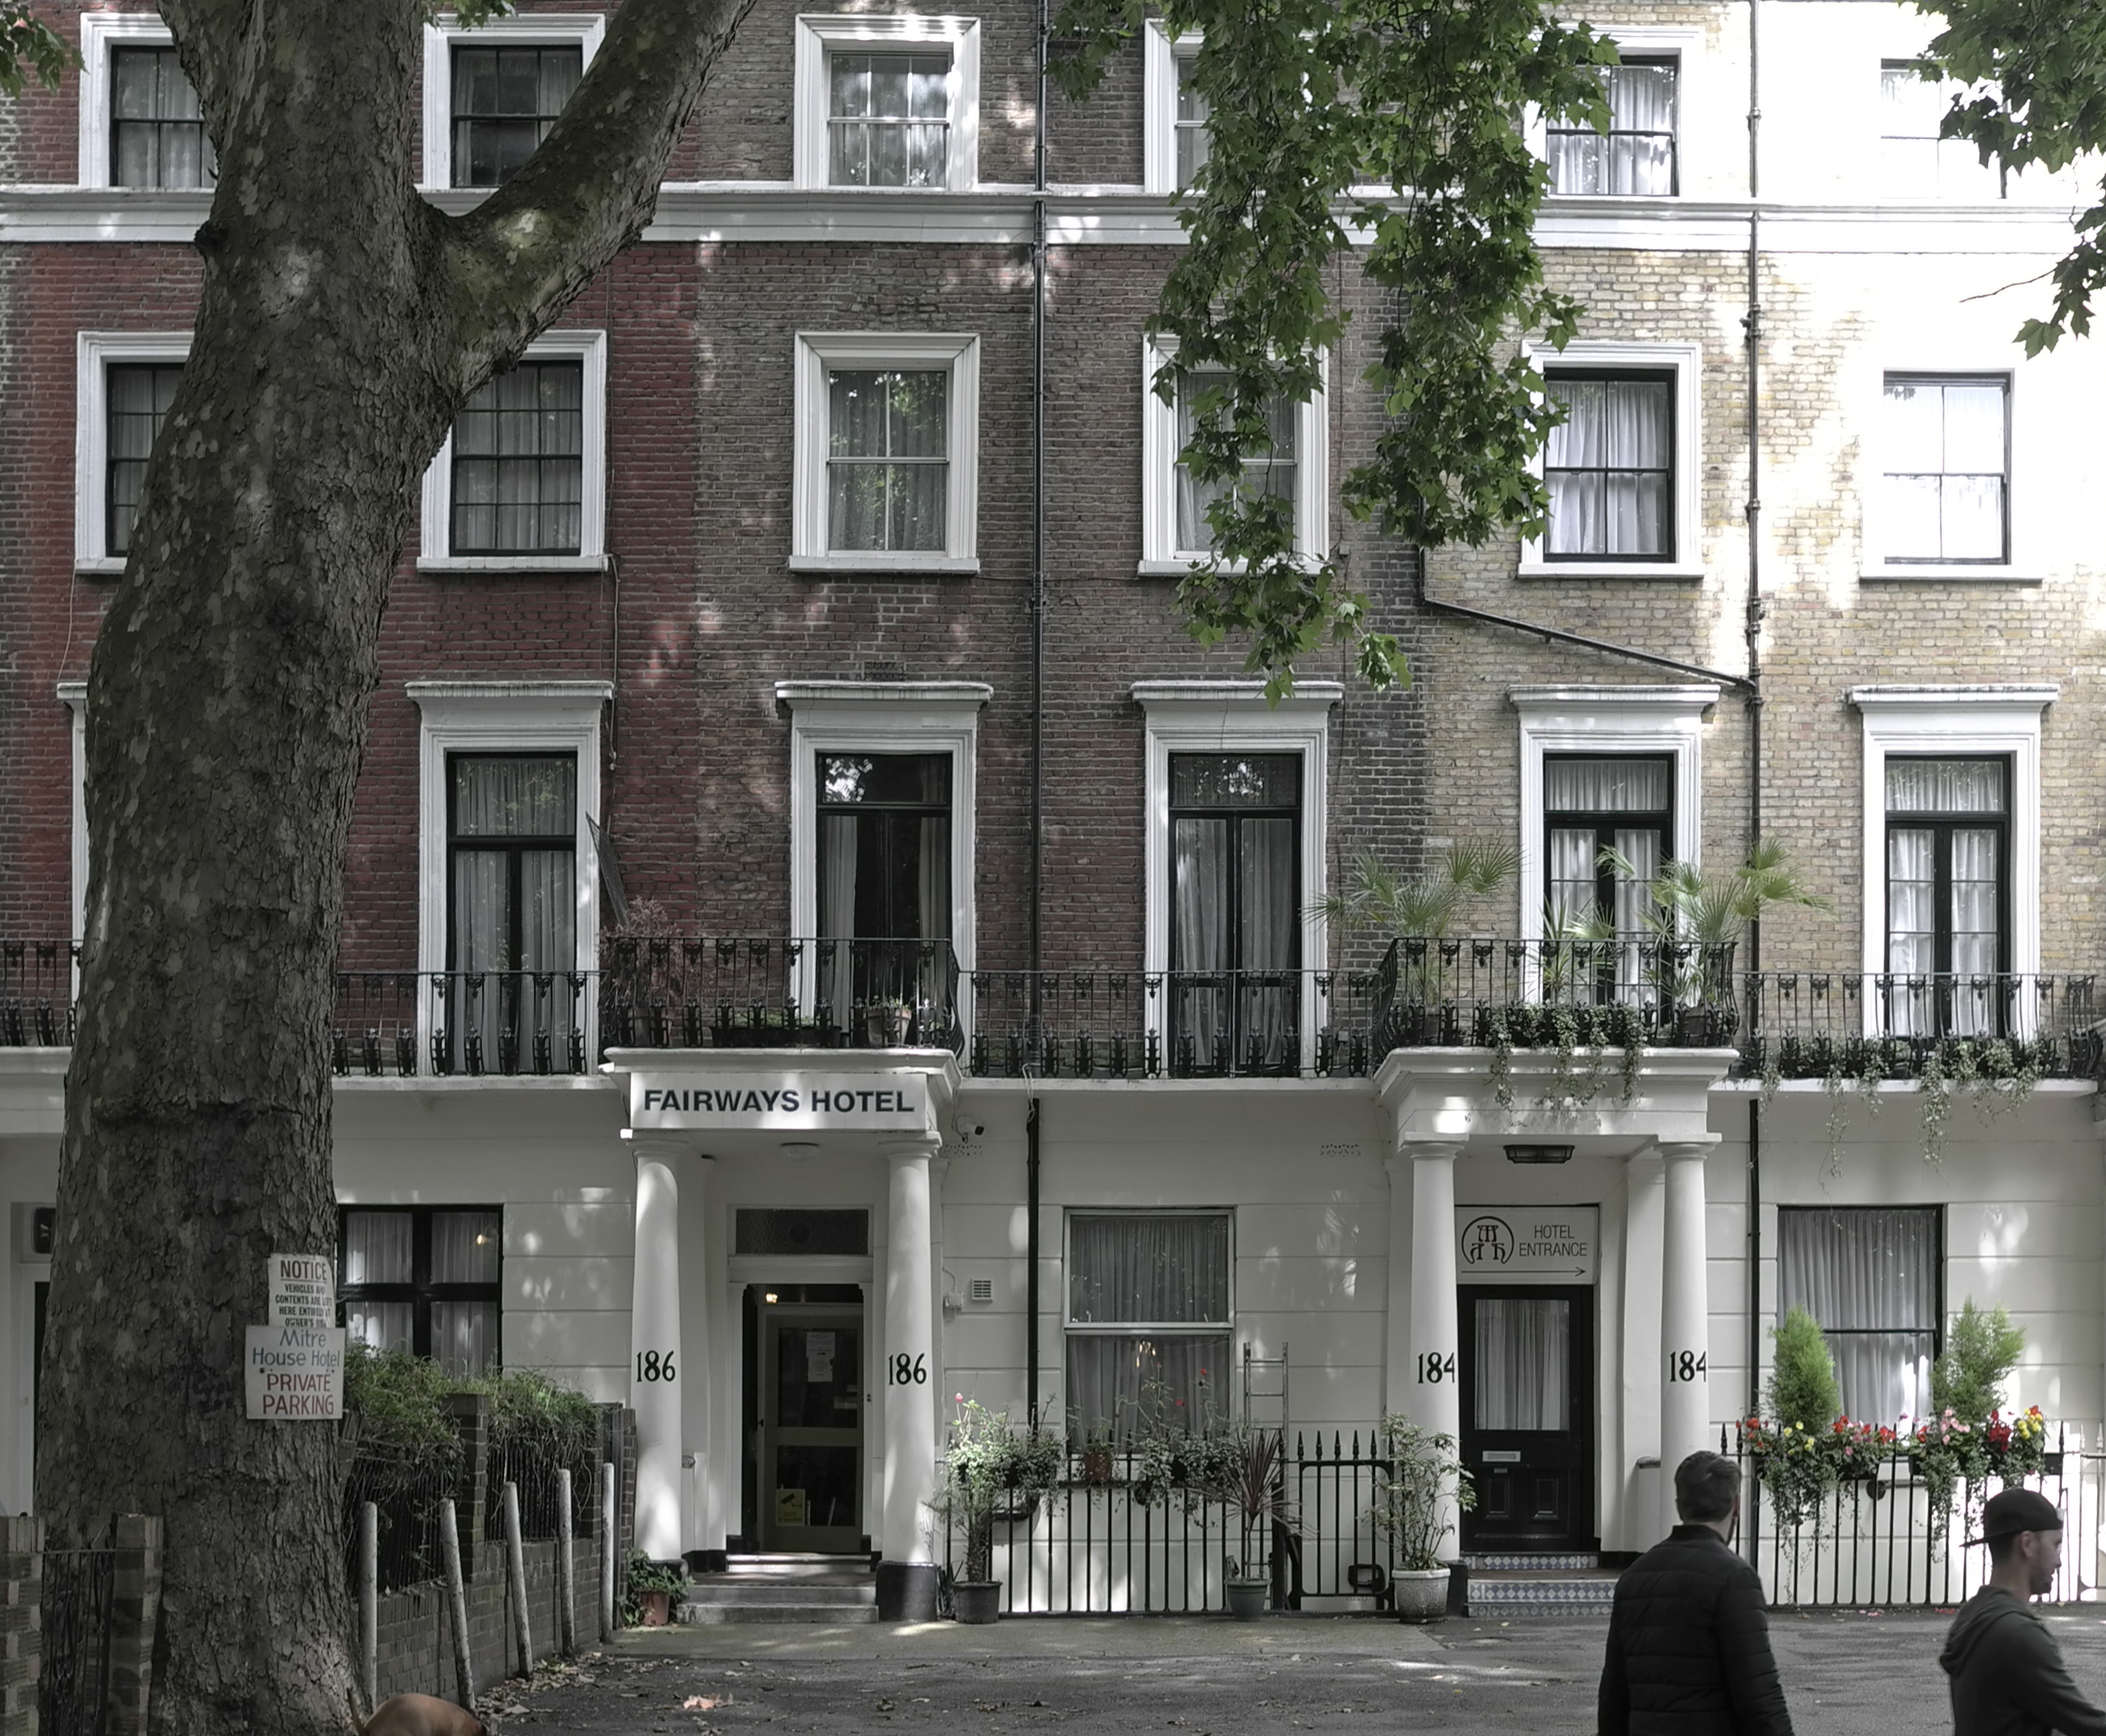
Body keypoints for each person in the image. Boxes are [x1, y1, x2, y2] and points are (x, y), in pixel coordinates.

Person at [1598, 1449, 1794, 1735]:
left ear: (1679, 1506)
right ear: (1736, 1506)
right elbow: (1759, 1692)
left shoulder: (1634, 1576)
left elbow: (1614, 1692)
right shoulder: (1734, 1578)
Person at [1942, 1487, 2106, 1736]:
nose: (2059, 1561)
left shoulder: (1976, 1614)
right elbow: (2087, 1726)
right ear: (2027, 1544)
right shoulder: (2018, 1635)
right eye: (2056, 1545)